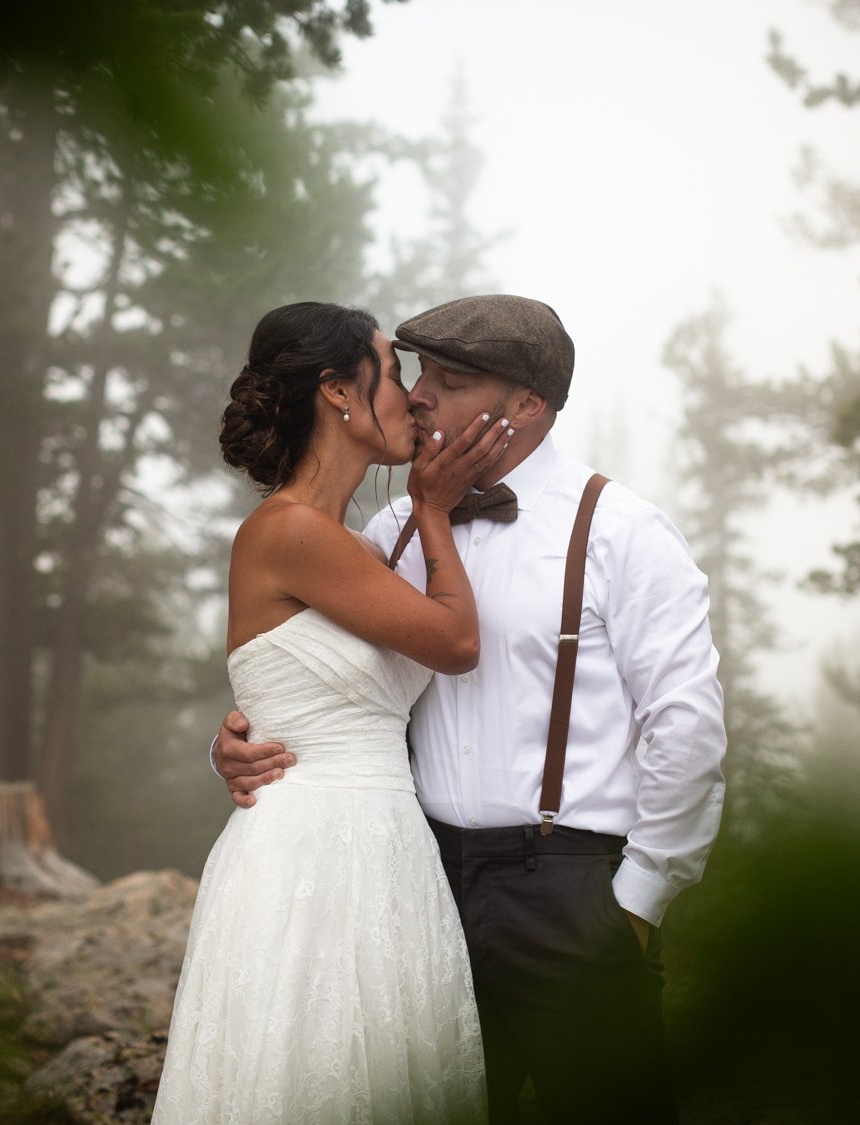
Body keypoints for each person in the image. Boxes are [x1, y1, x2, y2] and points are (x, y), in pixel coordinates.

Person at [213, 294, 728, 1124]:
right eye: (413, 373)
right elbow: (308, 667)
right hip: (413, 891)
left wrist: (637, 901)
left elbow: (687, 727)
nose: (417, 395)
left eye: (447, 380)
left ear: (526, 404)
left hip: (565, 893)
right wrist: (241, 741)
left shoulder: (620, 531)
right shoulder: (388, 531)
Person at [153, 301, 511, 1124]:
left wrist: (230, 741)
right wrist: (432, 510)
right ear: (337, 392)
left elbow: (307, 688)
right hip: (310, 858)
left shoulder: (349, 542)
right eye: (390, 372)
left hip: (386, 852)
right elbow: (455, 641)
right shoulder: (290, 532)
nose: (412, 397)